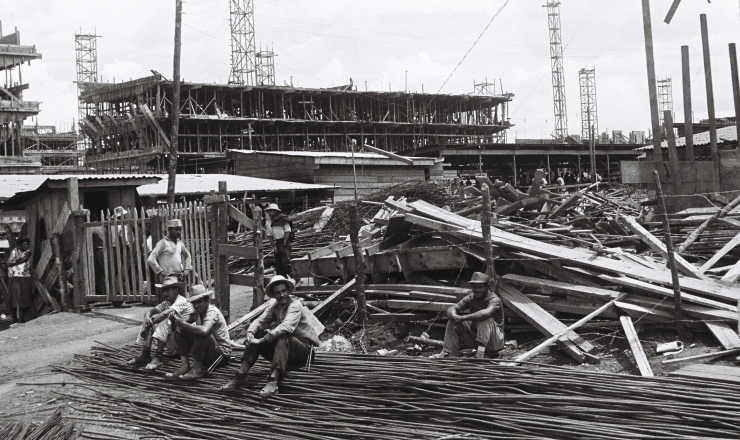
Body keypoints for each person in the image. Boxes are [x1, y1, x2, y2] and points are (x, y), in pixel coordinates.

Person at [220, 275, 324, 398]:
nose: (281, 295)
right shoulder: (274, 306)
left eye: (284, 291)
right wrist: (250, 333)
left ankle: (273, 381)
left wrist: (263, 340)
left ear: (288, 291)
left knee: (282, 336)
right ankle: (241, 376)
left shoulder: (295, 305)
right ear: (274, 295)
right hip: (287, 352)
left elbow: (286, 327)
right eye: (277, 293)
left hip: (304, 351)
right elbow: (259, 321)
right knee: (258, 334)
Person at [430, 272, 504, 359]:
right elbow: (452, 308)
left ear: (487, 287)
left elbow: (485, 313)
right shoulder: (471, 297)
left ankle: (480, 354)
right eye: (474, 287)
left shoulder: (495, 300)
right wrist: (455, 317)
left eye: (480, 287)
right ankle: (449, 352)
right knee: (452, 320)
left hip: (494, 341)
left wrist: (462, 318)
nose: (477, 290)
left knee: (483, 318)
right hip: (477, 339)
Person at [127, 277, 194, 370]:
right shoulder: (167, 302)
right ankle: (145, 354)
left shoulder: (181, 301)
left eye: (167, 290)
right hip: (176, 342)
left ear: (176, 290)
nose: (164, 293)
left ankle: (158, 357)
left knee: (164, 320)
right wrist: (147, 319)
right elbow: (149, 311)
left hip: (186, 345)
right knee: (150, 319)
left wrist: (148, 326)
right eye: (163, 291)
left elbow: (164, 314)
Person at [169, 287, 231, 380]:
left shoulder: (212, 311)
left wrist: (183, 323)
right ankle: (185, 366)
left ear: (207, 301)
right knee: (181, 330)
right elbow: (178, 326)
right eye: (194, 303)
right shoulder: (197, 312)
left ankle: (197, 370)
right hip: (208, 353)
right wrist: (174, 320)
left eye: (199, 302)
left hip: (221, 355)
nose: (196, 305)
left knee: (202, 333)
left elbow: (204, 330)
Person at [147, 219, 192, 283]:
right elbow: (151, 259)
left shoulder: (180, 243)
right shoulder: (162, 243)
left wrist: (187, 268)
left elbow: (187, 255)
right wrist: (161, 272)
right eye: (176, 229)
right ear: (169, 230)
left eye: (180, 229)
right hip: (168, 279)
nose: (178, 232)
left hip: (180, 278)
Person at [6, 237, 34, 323]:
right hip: (16, 277)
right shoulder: (15, 251)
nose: (26, 246)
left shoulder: (28, 252)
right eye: (24, 244)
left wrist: (17, 261)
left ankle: (21, 320)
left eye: (27, 244)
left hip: (26, 277)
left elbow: (14, 261)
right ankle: (14, 319)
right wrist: (19, 262)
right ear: (20, 245)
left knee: (23, 298)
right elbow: (9, 263)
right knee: (14, 297)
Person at [264, 203, 293, 279]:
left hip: (284, 241)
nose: (269, 213)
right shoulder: (269, 222)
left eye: (271, 211)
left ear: (275, 211)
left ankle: (296, 279)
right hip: (277, 242)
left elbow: (287, 231)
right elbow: (269, 235)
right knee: (278, 265)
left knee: (285, 263)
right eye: (268, 211)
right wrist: (274, 247)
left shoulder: (283, 219)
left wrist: (284, 243)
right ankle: (283, 280)